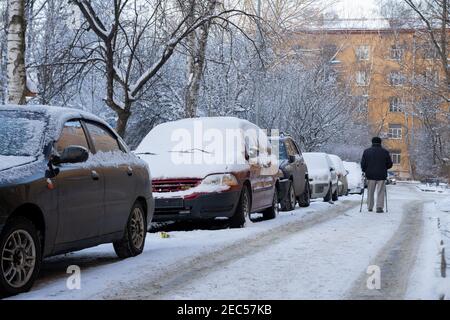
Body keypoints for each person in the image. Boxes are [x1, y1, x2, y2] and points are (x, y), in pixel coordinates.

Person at [361, 137, 393, 213]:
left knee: (370, 192)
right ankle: (379, 207)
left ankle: (369, 207)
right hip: (381, 175)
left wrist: (365, 170)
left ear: (372, 142)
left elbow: (363, 164)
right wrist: (385, 167)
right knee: (380, 192)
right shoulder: (385, 152)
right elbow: (389, 164)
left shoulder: (366, 152)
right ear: (380, 142)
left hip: (370, 175)